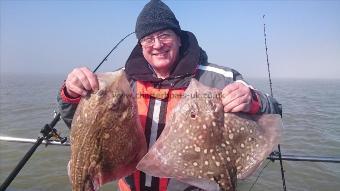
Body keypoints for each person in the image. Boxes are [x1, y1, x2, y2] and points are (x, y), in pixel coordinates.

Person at [57, 0, 282, 190]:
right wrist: (71, 92)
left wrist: (251, 99)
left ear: (179, 38)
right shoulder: (120, 82)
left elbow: (273, 109)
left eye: (164, 35)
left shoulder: (218, 78)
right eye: (148, 39)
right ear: (141, 45)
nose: (157, 45)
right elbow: (82, 128)